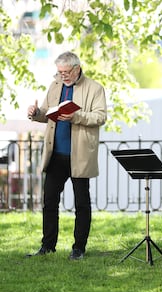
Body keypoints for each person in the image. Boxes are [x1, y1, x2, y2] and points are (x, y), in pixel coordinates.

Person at [26, 51, 107, 260]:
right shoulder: (55, 86)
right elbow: (47, 112)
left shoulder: (95, 88)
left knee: (81, 203)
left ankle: (78, 248)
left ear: (76, 68)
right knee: (49, 201)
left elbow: (100, 116)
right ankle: (48, 246)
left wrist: (76, 116)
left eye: (65, 72)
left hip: (79, 155)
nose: (62, 76)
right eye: (59, 72)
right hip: (56, 154)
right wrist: (36, 113)